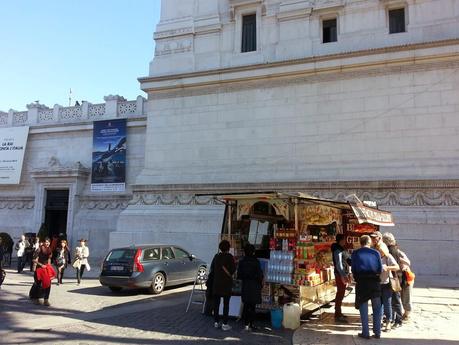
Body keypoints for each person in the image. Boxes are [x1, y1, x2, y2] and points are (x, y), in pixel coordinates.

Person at [351, 235, 383, 340]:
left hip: (362, 283)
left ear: (360, 243)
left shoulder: (355, 253)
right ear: (369, 242)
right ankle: (377, 332)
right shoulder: (376, 253)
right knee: (377, 308)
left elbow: (354, 269)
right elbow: (380, 269)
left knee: (363, 308)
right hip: (374, 282)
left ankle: (366, 333)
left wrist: (356, 278)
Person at [383, 232, 413, 323]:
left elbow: (408, 263)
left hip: (404, 277)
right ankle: (398, 316)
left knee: (404, 297)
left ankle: (406, 315)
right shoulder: (391, 251)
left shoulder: (396, 252)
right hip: (398, 277)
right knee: (398, 297)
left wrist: (400, 261)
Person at [211, 240, 236, 331]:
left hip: (216, 283)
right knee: (226, 304)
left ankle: (216, 322)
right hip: (226, 284)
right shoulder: (230, 257)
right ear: (228, 248)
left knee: (216, 304)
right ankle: (225, 324)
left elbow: (212, 269)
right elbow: (233, 270)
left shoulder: (216, 256)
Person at [237, 244, 263, 331]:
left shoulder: (242, 262)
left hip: (245, 285)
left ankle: (246, 324)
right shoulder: (256, 262)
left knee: (246, 305)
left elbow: (239, 275)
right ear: (253, 252)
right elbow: (260, 275)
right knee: (252, 306)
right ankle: (250, 324)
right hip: (254, 286)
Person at [376, 242, 399, 332]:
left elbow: (397, 267)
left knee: (387, 303)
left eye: (381, 250)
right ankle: (379, 321)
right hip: (377, 283)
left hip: (386, 283)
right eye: (378, 250)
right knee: (378, 304)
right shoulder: (376, 257)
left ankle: (388, 322)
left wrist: (387, 268)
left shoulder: (388, 257)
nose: (380, 252)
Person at [331, 234, 351, 322]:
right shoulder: (337, 249)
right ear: (341, 240)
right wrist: (343, 275)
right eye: (344, 239)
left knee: (342, 293)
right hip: (340, 274)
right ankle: (337, 314)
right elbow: (339, 264)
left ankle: (338, 312)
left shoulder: (341, 248)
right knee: (340, 293)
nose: (345, 241)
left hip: (342, 273)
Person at [31, 238, 54, 306]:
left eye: (48, 242)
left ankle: (46, 300)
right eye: (46, 242)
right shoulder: (39, 249)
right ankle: (36, 299)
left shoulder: (50, 249)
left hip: (46, 268)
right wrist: (41, 265)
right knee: (38, 284)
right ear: (44, 242)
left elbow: (49, 259)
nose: (47, 243)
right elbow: (33, 259)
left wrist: (49, 267)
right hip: (39, 268)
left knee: (48, 284)